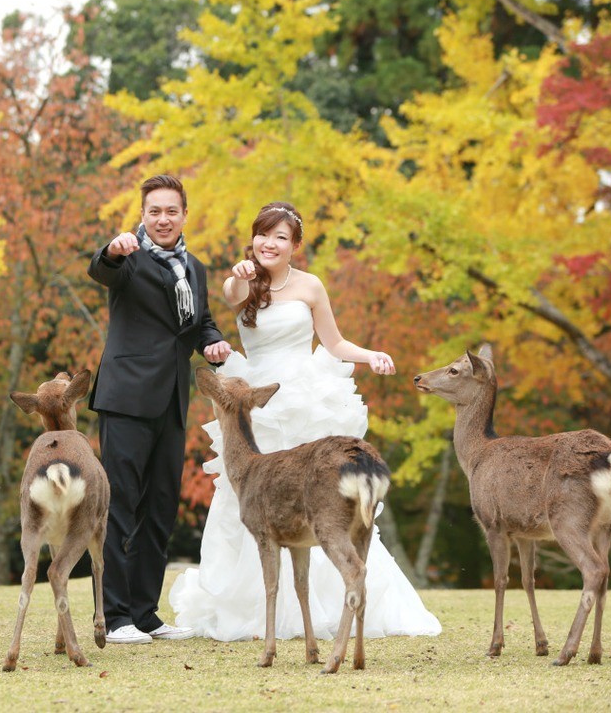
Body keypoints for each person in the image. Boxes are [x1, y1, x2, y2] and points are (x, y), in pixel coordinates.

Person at [169, 202, 441, 641]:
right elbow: (230, 295)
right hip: (257, 396)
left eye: (280, 237)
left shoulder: (311, 286)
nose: (269, 243)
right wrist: (241, 275)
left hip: (307, 394)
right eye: (262, 235)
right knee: (248, 495)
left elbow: (332, 343)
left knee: (324, 497)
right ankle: (255, 609)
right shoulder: (239, 283)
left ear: (295, 245)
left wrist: (370, 355)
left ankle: (337, 601)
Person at [88, 174, 232, 645]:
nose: (163, 219)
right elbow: (102, 269)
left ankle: (145, 614)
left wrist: (213, 342)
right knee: (121, 505)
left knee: (161, 507)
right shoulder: (128, 257)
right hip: (126, 399)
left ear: (185, 215)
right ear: (143, 215)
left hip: (172, 399)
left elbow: (200, 321)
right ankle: (114, 616)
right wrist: (112, 249)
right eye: (155, 211)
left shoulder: (195, 267)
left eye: (172, 211)